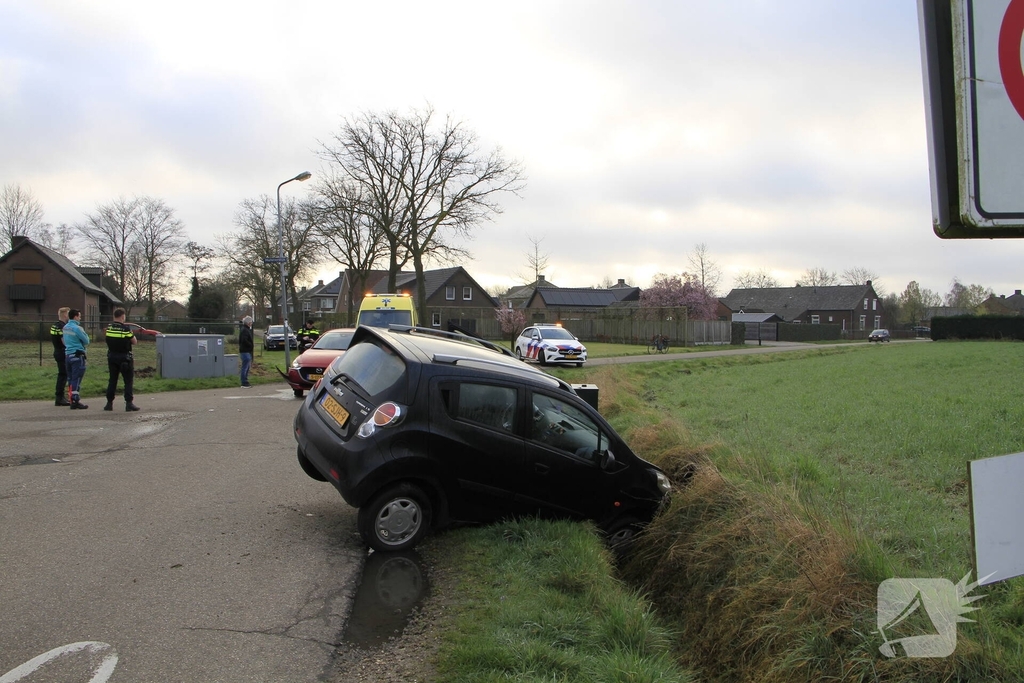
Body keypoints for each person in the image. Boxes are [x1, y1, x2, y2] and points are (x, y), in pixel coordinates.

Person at [104, 308, 139, 412]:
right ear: (123, 316)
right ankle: (129, 403)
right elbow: (134, 342)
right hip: (125, 358)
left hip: (112, 357)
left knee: (112, 380)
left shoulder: (109, 329)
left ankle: (109, 403)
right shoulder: (125, 329)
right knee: (128, 381)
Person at [63, 308, 90, 410]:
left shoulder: (65, 327)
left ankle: (71, 398)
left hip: (68, 355)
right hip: (77, 355)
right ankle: (75, 399)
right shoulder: (77, 328)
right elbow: (86, 341)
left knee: (70, 379)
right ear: (75, 316)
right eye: (79, 316)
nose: (80, 318)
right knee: (77, 378)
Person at [50, 306, 71, 406]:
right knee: (63, 375)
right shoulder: (63, 327)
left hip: (57, 351)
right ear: (65, 315)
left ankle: (60, 397)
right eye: (68, 314)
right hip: (62, 353)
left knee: (62, 374)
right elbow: (65, 341)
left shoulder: (54, 326)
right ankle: (59, 397)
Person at [239, 316, 254, 388]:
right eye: (251, 322)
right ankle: (244, 382)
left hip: (245, 351)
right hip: (245, 351)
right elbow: (244, 340)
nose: (251, 324)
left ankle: (245, 381)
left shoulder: (245, 329)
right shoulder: (245, 330)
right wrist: (250, 345)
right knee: (245, 367)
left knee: (246, 367)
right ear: (248, 323)